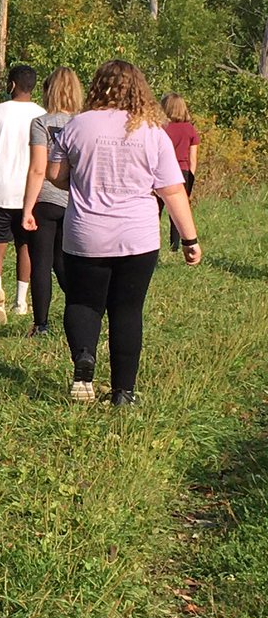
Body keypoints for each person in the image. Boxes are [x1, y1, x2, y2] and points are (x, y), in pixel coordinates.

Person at [47, 60, 202, 406]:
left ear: (98, 85)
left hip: (86, 233)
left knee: (83, 302)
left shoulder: (76, 126)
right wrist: (189, 239)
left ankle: (84, 358)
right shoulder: (151, 131)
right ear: (139, 89)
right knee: (127, 311)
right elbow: (172, 191)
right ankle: (123, 394)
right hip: (137, 238)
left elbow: (55, 175)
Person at [0, 65, 45, 325]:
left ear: (12, 84)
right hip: (30, 191)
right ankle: (21, 301)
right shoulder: (41, 114)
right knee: (24, 245)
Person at [20, 68, 83, 338]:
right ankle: (82, 312)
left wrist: (27, 208)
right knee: (65, 262)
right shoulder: (84, 123)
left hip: (46, 199)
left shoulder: (41, 123)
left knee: (41, 263)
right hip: (76, 201)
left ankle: (41, 324)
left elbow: (37, 169)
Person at [158, 93, 200, 252]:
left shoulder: (160, 128)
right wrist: (190, 178)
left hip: (161, 171)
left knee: (156, 210)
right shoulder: (190, 129)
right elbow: (193, 158)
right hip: (182, 172)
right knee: (177, 212)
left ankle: (154, 244)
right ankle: (175, 246)